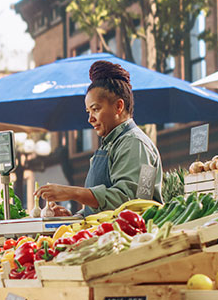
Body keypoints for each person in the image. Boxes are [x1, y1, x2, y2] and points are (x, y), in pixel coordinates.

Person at [35, 60, 162, 216]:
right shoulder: (110, 145)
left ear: (118, 106)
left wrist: (73, 193)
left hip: (127, 238)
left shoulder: (135, 143)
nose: (90, 119)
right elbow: (103, 210)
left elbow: (132, 202)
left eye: (95, 109)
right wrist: (74, 217)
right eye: (88, 111)